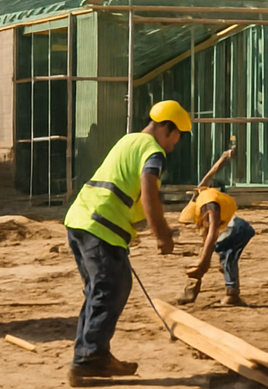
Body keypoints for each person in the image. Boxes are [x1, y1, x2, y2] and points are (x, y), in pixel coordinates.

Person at [63, 100, 190, 385]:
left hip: (80, 220)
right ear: (167, 128)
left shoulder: (129, 140)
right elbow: (148, 193)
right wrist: (163, 235)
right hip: (101, 226)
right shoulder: (153, 151)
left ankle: (91, 355)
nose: (174, 145)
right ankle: (89, 358)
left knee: (98, 290)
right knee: (111, 288)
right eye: (176, 137)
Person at [176, 143, 254, 306]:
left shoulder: (209, 204)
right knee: (221, 253)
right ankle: (229, 285)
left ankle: (232, 294)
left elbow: (212, 232)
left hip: (238, 228)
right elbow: (210, 174)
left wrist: (204, 261)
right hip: (233, 227)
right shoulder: (200, 195)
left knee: (226, 254)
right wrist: (224, 157)